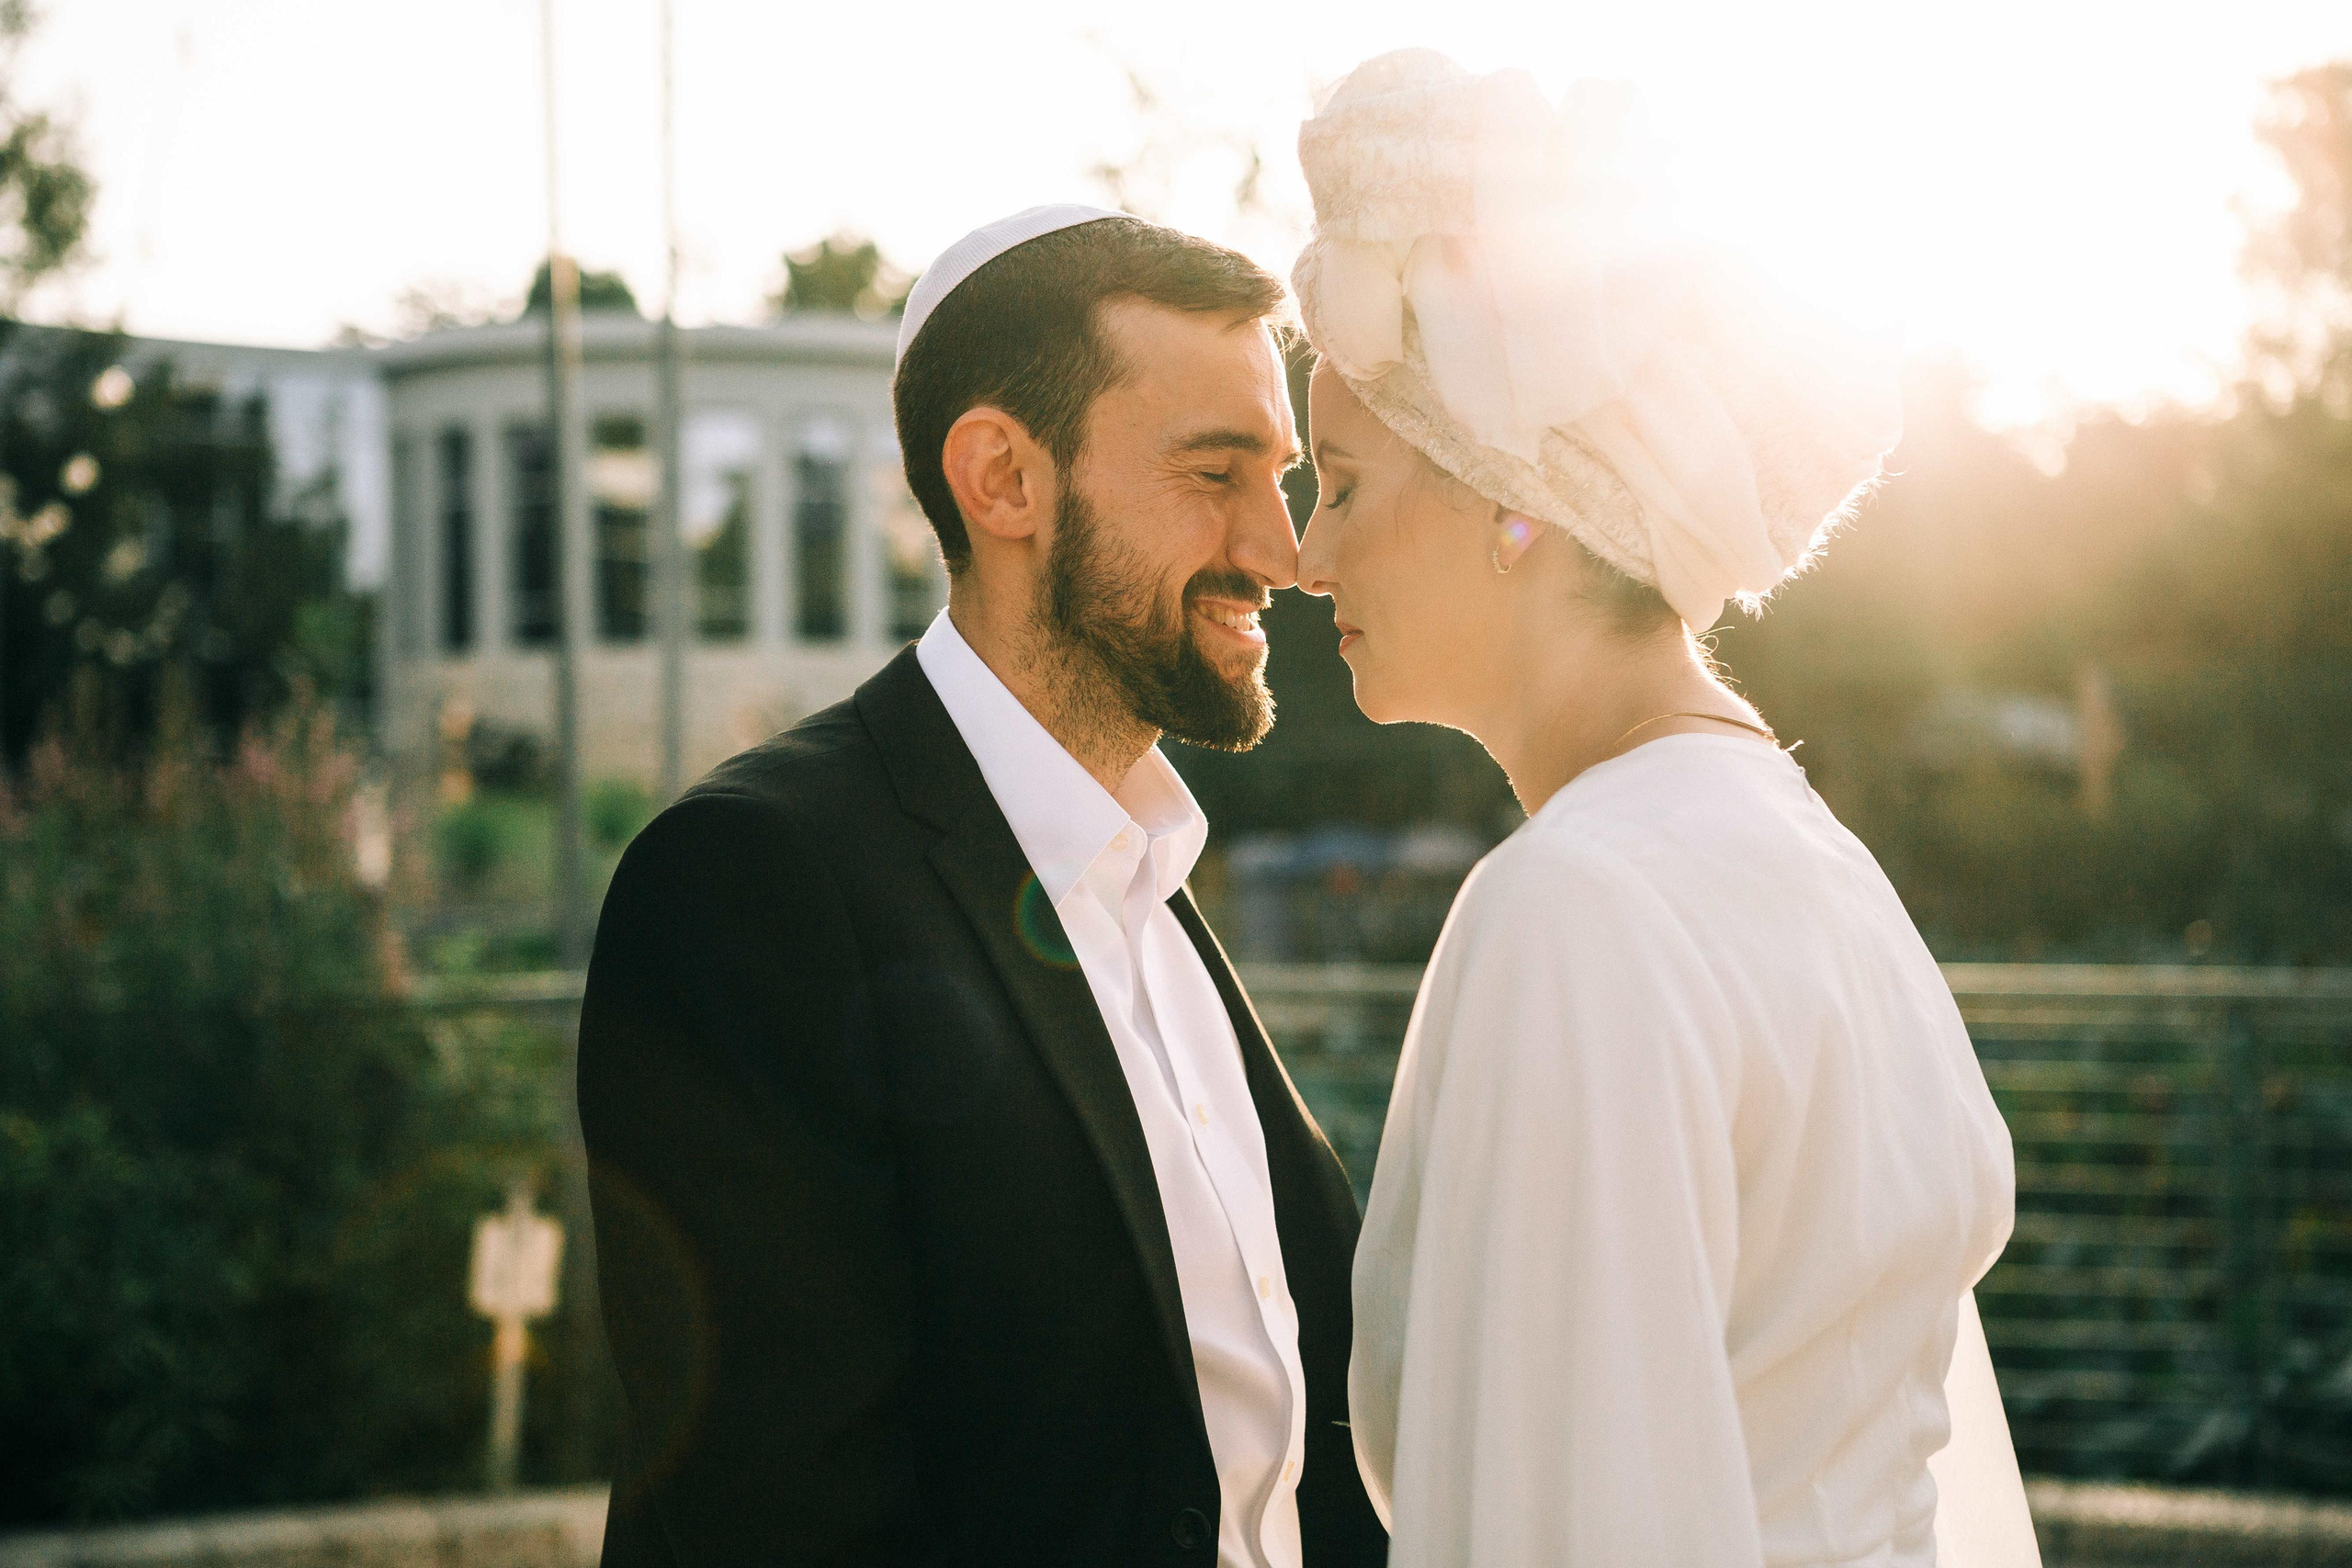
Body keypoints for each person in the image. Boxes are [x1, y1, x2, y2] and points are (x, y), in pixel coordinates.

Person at [1288, 51, 2041, 1567]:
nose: (1307, 559)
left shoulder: (1580, 907)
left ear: (1513, 503)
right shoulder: (1820, 869)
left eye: (1346, 484)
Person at [575, 205, 1386, 1568]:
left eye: (1284, 477)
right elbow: (770, 1522)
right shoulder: (753, 883)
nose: (1282, 550)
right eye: (1215, 473)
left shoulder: (1160, 890)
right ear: (1002, 480)